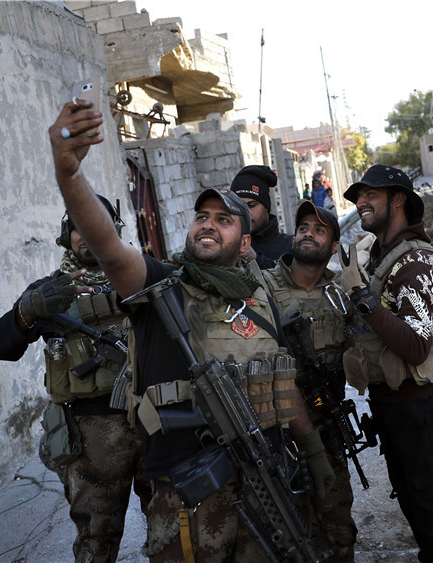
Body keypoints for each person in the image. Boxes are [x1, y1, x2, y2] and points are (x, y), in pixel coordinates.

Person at [48, 99, 334, 562]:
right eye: (202, 217)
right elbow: (107, 246)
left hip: (265, 478)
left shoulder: (260, 300)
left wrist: (315, 453)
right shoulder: (161, 286)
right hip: (187, 490)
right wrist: (69, 177)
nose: (209, 225)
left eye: (224, 220)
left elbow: (284, 384)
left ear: (245, 242)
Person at [0, 195, 152, 563]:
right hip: (90, 439)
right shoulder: (50, 292)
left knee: (170, 533)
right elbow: (0, 345)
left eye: (97, 222)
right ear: (67, 235)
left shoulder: (142, 274)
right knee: (96, 543)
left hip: (153, 422)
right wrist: (26, 312)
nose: (88, 233)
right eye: (78, 225)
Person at [338, 165, 433, 562]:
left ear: (398, 199)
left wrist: (363, 298)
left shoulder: (416, 261)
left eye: (370, 195)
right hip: (398, 411)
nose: (360, 202)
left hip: (421, 413)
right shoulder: (385, 255)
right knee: (420, 516)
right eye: (357, 197)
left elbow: (417, 347)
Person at [262, 201, 357, 562]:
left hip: (327, 425)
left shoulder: (341, 293)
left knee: (337, 525)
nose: (308, 234)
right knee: (283, 529)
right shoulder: (264, 285)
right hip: (276, 432)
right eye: (303, 227)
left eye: (319, 230)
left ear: (333, 246)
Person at [230, 164, 293, 270]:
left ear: (267, 207)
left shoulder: (290, 245)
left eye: (251, 205)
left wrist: (256, 260)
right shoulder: (228, 244)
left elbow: (295, 280)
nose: (246, 213)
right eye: (240, 207)